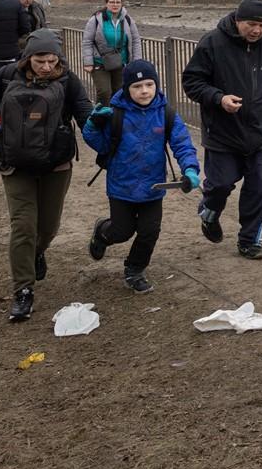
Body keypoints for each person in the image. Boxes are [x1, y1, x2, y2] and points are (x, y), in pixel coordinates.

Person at [0, 28, 92, 321]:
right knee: (23, 226)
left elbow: (84, 110)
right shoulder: (5, 76)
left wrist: (98, 129)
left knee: (48, 227)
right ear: (28, 58)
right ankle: (23, 291)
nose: (47, 67)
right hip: (15, 164)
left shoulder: (68, 79)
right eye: (40, 60)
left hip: (56, 164)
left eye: (52, 60)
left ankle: (38, 252)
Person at [182, 0, 262, 260]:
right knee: (219, 184)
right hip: (223, 132)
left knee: (259, 187)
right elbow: (192, 81)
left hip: (259, 132)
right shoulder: (212, 43)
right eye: (252, 24)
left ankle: (249, 240)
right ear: (238, 20)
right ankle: (209, 212)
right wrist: (219, 98)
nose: (257, 30)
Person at [82, 59, 200, 293]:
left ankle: (135, 269)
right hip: (121, 186)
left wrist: (190, 169)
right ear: (127, 89)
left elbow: (182, 143)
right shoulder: (115, 114)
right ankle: (102, 233)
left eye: (149, 84)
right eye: (137, 86)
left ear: (156, 85)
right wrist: (93, 125)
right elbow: (100, 145)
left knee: (149, 231)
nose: (144, 91)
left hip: (153, 187)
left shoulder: (166, 114)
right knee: (122, 231)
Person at [82, 0, 143, 105]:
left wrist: (137, 61)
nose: (115, 4)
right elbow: (87, 41)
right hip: (100, 62)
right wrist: (88, 62)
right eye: (112, 2)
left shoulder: (128, 20)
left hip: (121, 62)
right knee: (104, 92)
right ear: (106, 4)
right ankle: (101, 116)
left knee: (119, 92)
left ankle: (116, 117)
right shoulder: (96, 20)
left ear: (121, 4)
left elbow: (136, 41)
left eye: (118, 2)